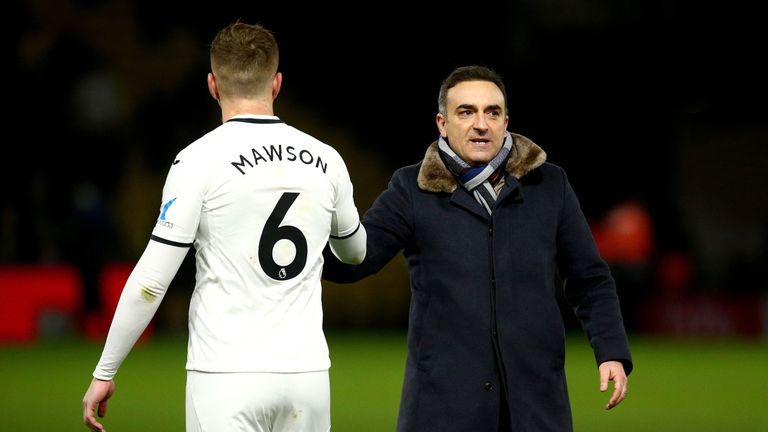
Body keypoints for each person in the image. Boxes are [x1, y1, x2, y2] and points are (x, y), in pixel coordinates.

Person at [82, 21, 366, 432]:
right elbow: (355, 252)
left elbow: (150, 282)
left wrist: (105, 371)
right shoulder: (326, 159)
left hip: (226, 374)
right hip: (307, 376)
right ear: (277, 83)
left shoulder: (197, 161)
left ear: (213, 86)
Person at [322, 65, 632, 431]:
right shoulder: (411, 188)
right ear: (442, 123)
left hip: (534, 404)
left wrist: (611, 350)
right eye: (466, 112)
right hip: (443, 407)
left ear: (505, 122)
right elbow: (356, 261)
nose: (481, 123)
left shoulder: (549, 185)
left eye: (492, 113)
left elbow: (589, 278)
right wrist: (313, 229)